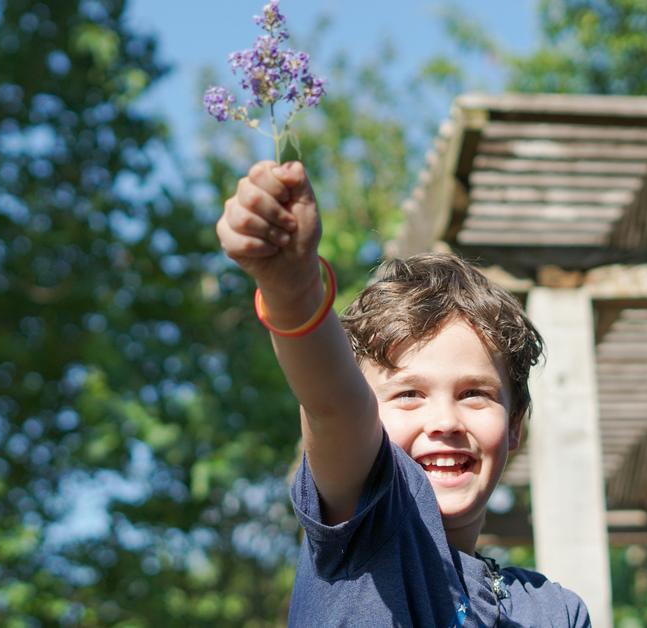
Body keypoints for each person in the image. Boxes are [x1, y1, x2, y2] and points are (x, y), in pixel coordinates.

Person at [217, 160, 592, 626]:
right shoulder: (367, 528)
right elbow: (334, 406)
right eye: (409, 395)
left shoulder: (555, 611)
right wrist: (291, 288)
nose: (446, 422)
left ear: (514, 426)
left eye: (475, 394)